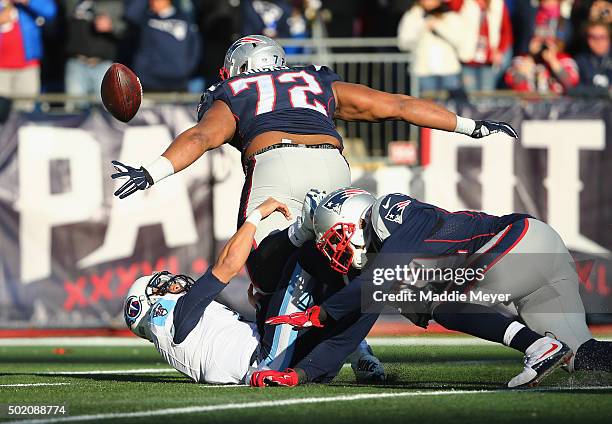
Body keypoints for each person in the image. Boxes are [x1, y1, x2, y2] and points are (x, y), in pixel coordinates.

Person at [110, 34, 517, 381]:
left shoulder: (233, 92)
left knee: (268, 275)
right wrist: (471, 125)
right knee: (350, 265)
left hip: (276, 165)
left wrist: (153, 170)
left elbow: (201, 136)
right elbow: (396, 105)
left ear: (239, 67)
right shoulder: (313, 79)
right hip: (333, 169)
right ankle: (365, 353)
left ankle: (288, 350)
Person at [267, 188, 612, 387]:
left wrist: (323, 311)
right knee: (580, 354)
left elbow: (384, 275)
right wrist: (296, 374)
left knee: (444, 305)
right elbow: (347, 336)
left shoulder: (387, 213)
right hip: (535, 256)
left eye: (336, 237)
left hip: (517, 244)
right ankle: (547, 348)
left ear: (355, 220)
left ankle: (537, 347)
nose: (336, 250)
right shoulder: (379, 273)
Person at [123, 195, 379, 385]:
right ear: (151, 303)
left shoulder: (183, 333)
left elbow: (228, 347)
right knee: (308, 255)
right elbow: (228, 265)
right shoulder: (177, 318)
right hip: (271, 361)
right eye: (162, 286)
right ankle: (361, 339)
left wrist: (263, 307)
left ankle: (358, 335)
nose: (173, 283)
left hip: (284, 362)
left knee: (310, 297)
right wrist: (256, 215)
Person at [123, 0, 201, 91]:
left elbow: (195, 47)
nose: (152, 2)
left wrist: (186, 69)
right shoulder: (145, 18)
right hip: (148, 81)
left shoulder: (185, 18)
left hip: (178, 81)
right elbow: (130, 14)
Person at [64, 0, 125, 109]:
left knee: (106, 111)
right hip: (77, 64)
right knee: (75, 111)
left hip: (103, 65)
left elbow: (126, 29)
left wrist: (112, 26)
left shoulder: (115, 4)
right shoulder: (73, 2)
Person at [397, 0, 465, 94]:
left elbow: (459, 41)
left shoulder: (450, 16)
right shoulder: (412, 16)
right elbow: (404, 44)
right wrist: (422, 27)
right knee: (426, 106)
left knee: (451, 107)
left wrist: (438, 26)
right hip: (423, 72)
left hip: (449, 71)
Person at [0, 0, 57, 110]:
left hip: (27, 67)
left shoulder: (25, 7)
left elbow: (50, 11)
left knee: (25, 110)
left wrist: (28, 1)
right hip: (1, 69)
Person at [453, 0, 513, 91]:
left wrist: (500, 50)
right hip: (468, 58)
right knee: (470, 95)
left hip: (488, 60)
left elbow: (506, 31)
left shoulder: (497, 3)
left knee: (486, 94)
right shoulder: (463, 2)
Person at [504, 33, 579, 94]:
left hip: (557, 107)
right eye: (538, 40)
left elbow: (571, 83)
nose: (542, 46)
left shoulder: (564, 60)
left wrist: (553, 61)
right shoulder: (521, 60)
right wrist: (530, 57)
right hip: (527, 106)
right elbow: (510, 82)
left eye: (546, 42)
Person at [574, 20, 611, 91]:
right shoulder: (581, 60)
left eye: (602, 37)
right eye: (593, 37)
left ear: (608, 38)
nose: (598, 41)